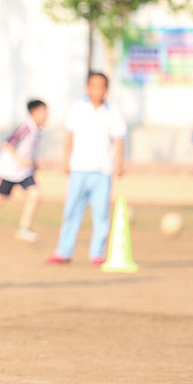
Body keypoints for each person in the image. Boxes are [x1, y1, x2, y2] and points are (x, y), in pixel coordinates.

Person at [47, 72, 126, 266]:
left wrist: (119, 163)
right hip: (79, 168)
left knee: (101, 213)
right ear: (87, 88)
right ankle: (64, 251)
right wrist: (65, 160)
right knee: (72, 210)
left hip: (102, 170)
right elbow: (69, 136)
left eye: (102, 86)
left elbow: (118, 138)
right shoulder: (77, 108)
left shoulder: (112, 111)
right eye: (94, 85)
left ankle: (97, 253)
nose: (98, 90)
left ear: (107, 89)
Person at [0, 99, 47, 245]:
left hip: (24, 172)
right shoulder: (25, 127)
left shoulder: (38, 130)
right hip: (9, 170)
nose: (46, 115)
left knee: (35, 194)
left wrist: (33, 163)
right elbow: (7, 144)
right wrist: (20, 160)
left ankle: (23, 228)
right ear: (34, 112)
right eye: (43, 111)